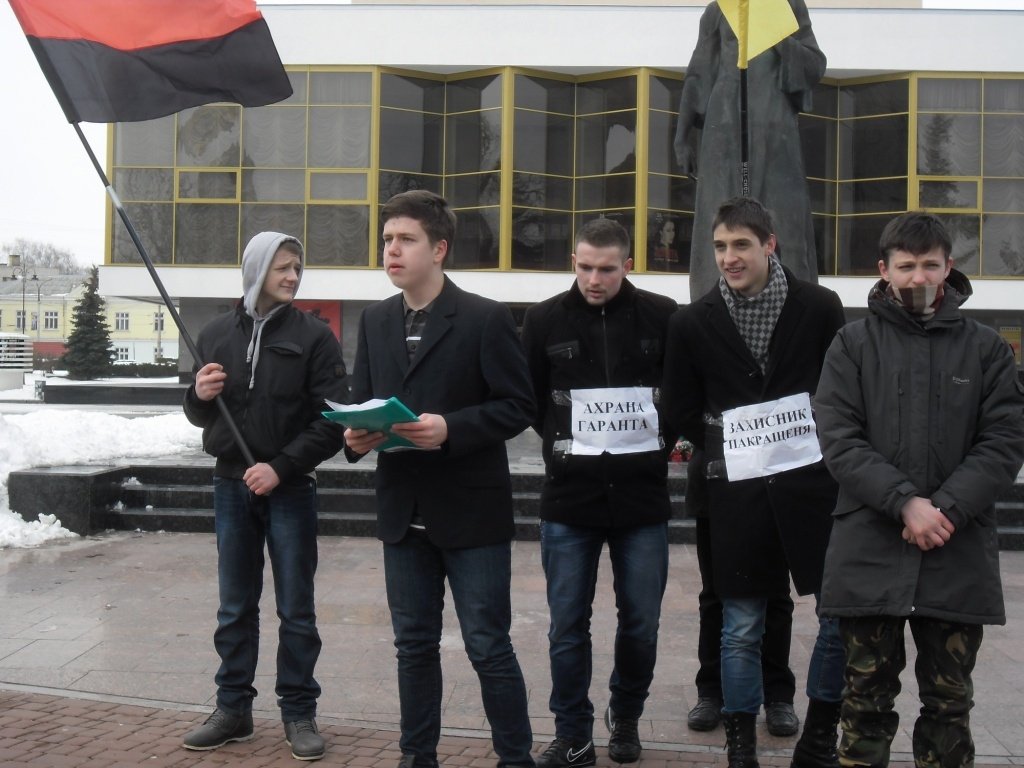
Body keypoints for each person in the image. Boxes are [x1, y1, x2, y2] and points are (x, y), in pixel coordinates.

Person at [815, 212, 1024, 768]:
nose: (919, 278)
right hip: (870, 549)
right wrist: (906, 503)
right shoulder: (851, 345)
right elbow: (839, 439)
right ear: (884, 270)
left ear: (948, 267)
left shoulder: (986, 349)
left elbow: (1004, 441)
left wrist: (944, 510)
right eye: (906, 266)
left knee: (950, 709)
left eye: (930, 265)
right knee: (863, 706)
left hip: (956, 553)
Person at [343, 190, 536, 768]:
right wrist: (355, 437)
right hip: (403, 514)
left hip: (471, 513)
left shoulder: (485, 317)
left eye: (406, 239)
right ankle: (416, 757)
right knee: (413, 647)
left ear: (439, 248)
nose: (392, 250)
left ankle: (516, 758)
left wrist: (451, 427)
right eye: (387, 240)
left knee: (488, 646)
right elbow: (362, 401)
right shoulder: (375, 319)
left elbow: (517, 405)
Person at [663, 197, 846, 768]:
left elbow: (840, 388)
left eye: (741, 244)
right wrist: (731, 437)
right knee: (736, 611)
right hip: (731, 488)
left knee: (816, 608)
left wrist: (804, 434)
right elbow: (679, 406)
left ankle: (788, 702)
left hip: (808, 488)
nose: (729, 257)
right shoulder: (691, 321)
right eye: (720, 247)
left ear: (770, 245)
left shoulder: (819, 307)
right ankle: (732, 725)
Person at [181, 232, 348, 761]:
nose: (293, 277)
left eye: (297, 267)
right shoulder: (214, 333)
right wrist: (198, 395)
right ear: (256, 270)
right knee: (235, 606)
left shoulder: (315, 336)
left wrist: (281, 467)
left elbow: (332, 420)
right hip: (230, 483)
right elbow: (200, 413)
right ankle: (232, 709)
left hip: (290, 487)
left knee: (296, 608)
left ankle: (299, 712)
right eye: (282, 268)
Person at [520, 218, 678, 766]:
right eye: (585, 267)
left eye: (607, 269)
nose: (594, 279)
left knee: (642, 622)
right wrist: (569, 442)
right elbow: (532, 400)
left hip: (642, 498)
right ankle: (573, 733)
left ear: (627, 265)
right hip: (570, 497)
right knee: (567, 625)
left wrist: (656, 443)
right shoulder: (543, 319)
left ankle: (626, 715)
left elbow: (678, 393)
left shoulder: (663, 315)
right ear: (573, 261)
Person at [674, 0, 825, 301]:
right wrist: (682, 135)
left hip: (774, 124)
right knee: (719, 217)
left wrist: (777, 36)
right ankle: (711, 306)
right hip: (723, 125)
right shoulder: (719, 9)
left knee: (786, 221)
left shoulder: (788, 4)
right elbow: (698, 73)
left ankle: (798, 305)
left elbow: (814, 64)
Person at [685, 446, 801, 738]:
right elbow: (684, 418)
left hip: (775, 476)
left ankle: (778, 695)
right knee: (715, 594)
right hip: (717, 476)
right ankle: (711, 691)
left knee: (776, 594)